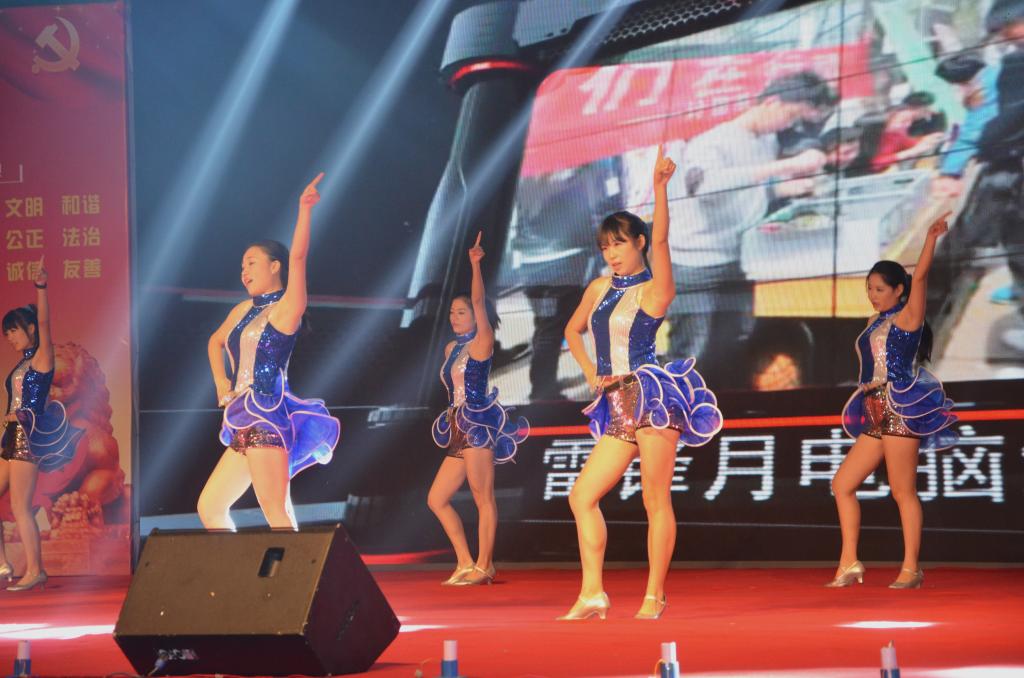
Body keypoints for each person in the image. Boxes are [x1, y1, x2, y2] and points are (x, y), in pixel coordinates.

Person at [559, 147, 723, 621]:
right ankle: (593, 593)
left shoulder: (656, 289)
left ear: (640, 243)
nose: (611, 253)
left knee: (655, 498)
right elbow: (572, 330)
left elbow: (665, 241)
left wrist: (659, 189)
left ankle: (655, 594)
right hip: (616, 403)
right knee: (582, 496)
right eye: (605, 246)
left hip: (651, 399)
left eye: (619, 243)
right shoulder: (598, 288)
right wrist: (589, 372)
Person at [667, 71, 829, 389]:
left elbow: (747, 192)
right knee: (691, 350)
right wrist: (784, 167)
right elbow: (704, 188)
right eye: (790, 115)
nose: (788, 125)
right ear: (772, 102)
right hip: (696, 263)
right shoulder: (713, 141)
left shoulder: (766, 140)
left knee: (730, 342)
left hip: (739, 257)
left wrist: (786, 188)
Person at [197, 173, 340, 530]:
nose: (243, 271)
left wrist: (304, 210)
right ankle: (232, 570)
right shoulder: (242, 310)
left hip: (267, 419)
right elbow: (214, 341)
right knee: (211, 507)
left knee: (276, 512)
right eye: (242, 266)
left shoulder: (287, 308)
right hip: (241, 419)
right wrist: (221, 382)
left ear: (275, 266)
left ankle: (299, 568)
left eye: (251, 262)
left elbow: (300, 257)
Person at [828, 213, 958, 590]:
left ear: (899, 290)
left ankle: (911, 567)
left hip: (900, 406)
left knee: (902, 491)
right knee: (842, 484)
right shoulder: (873, 320)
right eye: (869, 288)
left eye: (880, 289)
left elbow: (921, 276)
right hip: (873, 411)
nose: (873, 294)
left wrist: (930, 238)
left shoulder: (909, 317)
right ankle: (849, 562)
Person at [428, 232, 528, 586]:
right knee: (436, 499)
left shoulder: (482, 342)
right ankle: (464, 561)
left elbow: (478, 299)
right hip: (457, 426)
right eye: (452, 313)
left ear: (476, 316)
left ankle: (486, 564)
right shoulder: (451, 348)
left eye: (462, 312)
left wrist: (475, 265)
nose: (455, 317)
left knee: (482, 496)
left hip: (478, 426)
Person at [1, 259, 84, 591]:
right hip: (10, 436)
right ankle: (3, 564)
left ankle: (35, 570)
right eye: (7, 333)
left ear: (31, 329)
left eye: (14, 330)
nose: (9, 337)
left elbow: (46, 321)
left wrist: (41, 287)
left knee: (20, 506)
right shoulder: (21, 363)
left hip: (28, 436)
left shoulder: (42, 356)